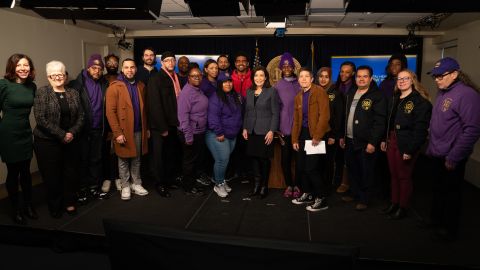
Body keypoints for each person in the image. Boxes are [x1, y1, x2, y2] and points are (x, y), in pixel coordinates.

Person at [425, 57, 480, 241]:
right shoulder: (442, 91)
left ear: (455, 74)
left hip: (451, 155)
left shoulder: (467, 94)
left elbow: (472, 130)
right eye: (435, 76)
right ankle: (436, 220)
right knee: (437, 190)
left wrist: (454, 156)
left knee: (452, 194)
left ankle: (449, 229)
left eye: (441, 76)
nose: (437, 79)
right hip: (437, 153)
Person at [33, 60, 84, 218]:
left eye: (60, 74)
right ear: (48, 77)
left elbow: (81, 116)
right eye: (53, 75)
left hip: (71, 140)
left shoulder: (73, 93)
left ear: (65, 75)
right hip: (47, 142)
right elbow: (40, 118)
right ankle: (55, 205)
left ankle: (69, 202)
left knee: (70, 174)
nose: (57, 77)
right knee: (52, 176)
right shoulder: (42, 92)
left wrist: (71, 133)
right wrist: (62, 134)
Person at [380, 69, 432, 219]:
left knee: (404, 176)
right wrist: (384, 139)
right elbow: (388, 122)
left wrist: (410, 149)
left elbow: (420, 130)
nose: (402, 81)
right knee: (394, 175)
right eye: (399, 79)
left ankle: (403, 207)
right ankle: (394, 203)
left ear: (413, 80)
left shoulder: (420, 101)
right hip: (392, 140)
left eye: (406, 78)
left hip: (407, 142)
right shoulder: (394, 98)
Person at [340, 65, 386, 211]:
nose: (361, 79)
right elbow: (346, 116)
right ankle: (354, 193)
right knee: (353, 169)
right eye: (359, 76)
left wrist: (373, 142)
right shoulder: (352, 92)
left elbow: (380, 122)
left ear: (371, 78)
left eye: (365, 76)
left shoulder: (377, 96)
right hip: (349, 139)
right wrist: (343, 136)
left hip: (366, 142)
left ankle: (365, 199)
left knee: (366, 171)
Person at [0, 53, 37, 225]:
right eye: (19, 65)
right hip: (8, 134)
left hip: (24, 133)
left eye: (26, 65)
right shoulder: (4, 84)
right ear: (12, 67)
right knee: (13, 173)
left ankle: (28, 206)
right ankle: (15, 209)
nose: (23, 68)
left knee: (26, 173)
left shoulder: (32, 86)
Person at [106, 59, 149, 201]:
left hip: (138, 128)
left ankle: (136, 183)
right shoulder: (114, 86)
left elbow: (145, 110)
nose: (129, 70)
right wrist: (117, 133)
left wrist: (146, 128)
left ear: (135, 69)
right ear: (122, 70)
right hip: (123, 130)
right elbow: (110, 112)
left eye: (132, 67)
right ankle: (125, 185)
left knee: (137, 158)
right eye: (126, 67)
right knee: (123, 158)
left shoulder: (141, 86)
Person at [69, 54, 109, 202]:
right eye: (94, 68)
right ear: (88, 67)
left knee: (96, 159)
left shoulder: (104, 83)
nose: (97, 71)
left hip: (99, 129)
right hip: (82, 130)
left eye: (100, 68)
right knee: (82, 160)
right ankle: (82, 190)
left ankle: (94, 188)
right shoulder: (78, 83)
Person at [291, 67, 330, 212]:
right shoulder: (298, 96)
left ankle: (322, 198)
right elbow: (296, 120)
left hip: (316, 135)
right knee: (301, 167)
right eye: (301, 76)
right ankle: (307, 194)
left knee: (312, 168)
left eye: (307, 76)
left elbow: (324, 116)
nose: (303, 79)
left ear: (312, 79)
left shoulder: (319, 92)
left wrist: (317, 136)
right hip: (302, 135)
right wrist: (294, 139)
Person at [146, 51, 182, 198]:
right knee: (159, 158)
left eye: (173, 60)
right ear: (162, 63)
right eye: (167, 61)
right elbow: (154, 105)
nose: (171, 63)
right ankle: (159, 184)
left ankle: (168, 180)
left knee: (170, 155)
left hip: (174, 124)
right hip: (160, 126)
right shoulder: (156, 78)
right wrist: (162, 128)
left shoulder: (175, 77)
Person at [242, 66, 279, 199]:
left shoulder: (272, 91)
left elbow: (275, 113)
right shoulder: (249, 91)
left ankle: (264, 186)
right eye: (256, 75)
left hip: (265, 131)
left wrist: (272, 131)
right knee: (254, 158)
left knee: (264, 159)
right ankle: (256, 185)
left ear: (266, 77)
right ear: (253, 78)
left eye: (261, 75)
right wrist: (245, 128)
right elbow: (247, 112)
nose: (258, 78)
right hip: (251, 130)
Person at [377, 53, 408, 200]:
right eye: (392, 64)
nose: (394, 67)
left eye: (398, 64)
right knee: (385, 167)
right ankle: (387, 195)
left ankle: (399, 201)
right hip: (385, 129)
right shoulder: (384, 83)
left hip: (400, 132)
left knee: (400, 172)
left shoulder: (409, 88)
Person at [205, 75, 243, 197]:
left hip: (232, 134)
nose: (228, 84)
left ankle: (221, 180)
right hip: (218, 134)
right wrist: (219, 132)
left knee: (225, 160)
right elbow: (213, 117)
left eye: (230, 82)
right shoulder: (215, 97)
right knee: (222, 160)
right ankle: (218, 184)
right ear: (220, 84)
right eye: (224, 82)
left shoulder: (236, 96)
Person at [177, 67, 209, 196]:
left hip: (198, 131)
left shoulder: (197, 90)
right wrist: (188, 137)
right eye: (193, 76)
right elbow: (183, 117)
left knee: (194, 161)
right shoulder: (186, 93)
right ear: (188, 78)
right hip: (190, 132)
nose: (197, 77)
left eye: (199, 75)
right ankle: (188, 188)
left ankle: (191, 184)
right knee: (189, 161)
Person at [273, 52, 301, 198]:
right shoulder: (277, 86)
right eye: (284, 65)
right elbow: (275, 109)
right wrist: (277, 129)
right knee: (285, 160)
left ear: (293, 67)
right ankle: (289, 185)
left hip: (301, 130)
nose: (287, 67)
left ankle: (298, 185)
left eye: (289, 65)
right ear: (281, 68)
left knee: (300, 161)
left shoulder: (301, 83)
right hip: (285, 130)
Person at [317, 67, 345, 194]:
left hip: (330, 135)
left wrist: (334, 135)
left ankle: (327, 188)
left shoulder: (336, 93)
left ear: (330, 78)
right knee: (318, 162)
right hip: (317, 133)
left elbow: (338, 117)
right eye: (321, 76)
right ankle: (319, 186)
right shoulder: (315, 91)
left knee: (328, 162)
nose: (323, 79)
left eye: (326, 76)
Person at [334, 61, 357, 194]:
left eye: (347, 72)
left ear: (353, 73)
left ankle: (346, 183)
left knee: (347, 158)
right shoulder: (336, 86)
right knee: (338, 157)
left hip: (349, 127)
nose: (343, 74)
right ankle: (338, 181)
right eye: (342, 71)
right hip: (337, 127)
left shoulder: (354, 88)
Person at [102, 54, 121, 193]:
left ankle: (119, 178)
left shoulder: (122, 79)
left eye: (115, 62)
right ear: (105, 64)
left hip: (120, 120)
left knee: (120, 152)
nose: (112, 64)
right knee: (106, 152)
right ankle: (107, 178)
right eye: (109, 62)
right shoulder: (101, 80)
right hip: (104, 121)